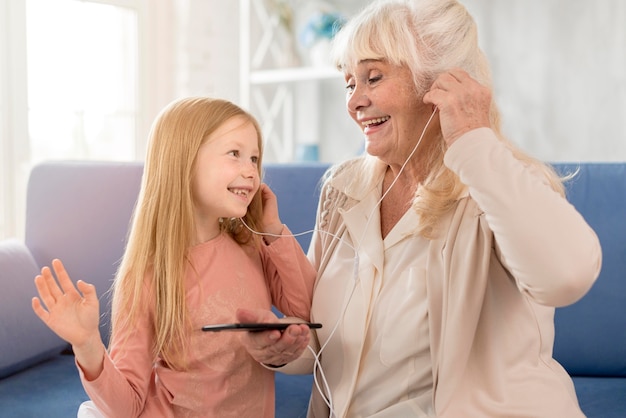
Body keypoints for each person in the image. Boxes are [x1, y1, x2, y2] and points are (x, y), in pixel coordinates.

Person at [235, 0, 602, 417]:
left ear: (440, 84)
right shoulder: (343, 187)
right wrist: (283, 349)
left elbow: (566, 277)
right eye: (349, 83)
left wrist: (473, 139)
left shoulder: (499, 183)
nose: (355, 102)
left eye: (373, 77)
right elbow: (326, 340)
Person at [31, 97, 316, 418]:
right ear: (183, 161)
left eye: (254, 158)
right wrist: (87, 344)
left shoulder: (251, 243)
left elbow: (307, 308)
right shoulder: (149, 276)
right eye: (235, 154)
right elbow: (127, 406)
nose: (251, 170)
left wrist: (273, 229)